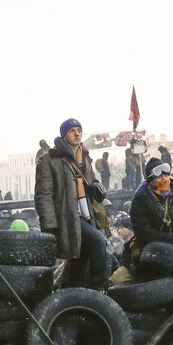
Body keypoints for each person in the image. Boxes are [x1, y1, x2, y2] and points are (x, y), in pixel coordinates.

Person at [35, 118, 109, 289]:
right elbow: (44, 195)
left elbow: (95, 182)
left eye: (79, 130)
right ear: (63, 135)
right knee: (99, 241)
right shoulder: (49, 160)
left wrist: (96, 188)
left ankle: (72, 296)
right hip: (68, 218)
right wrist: (49, 225)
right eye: (71, 130)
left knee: (79, 262)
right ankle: (101, 291)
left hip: (87, 215)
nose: (77, 133)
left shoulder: (84, 157)